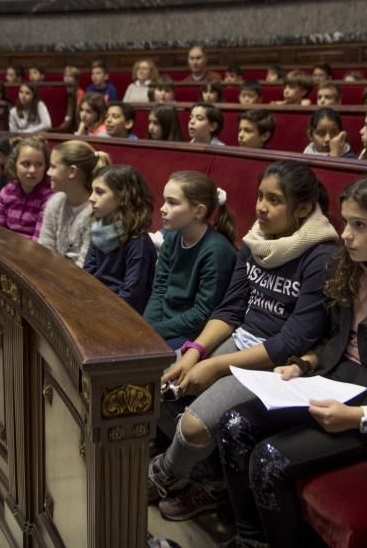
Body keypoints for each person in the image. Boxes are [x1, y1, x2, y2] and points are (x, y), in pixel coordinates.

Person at [215, 172, 367, 546]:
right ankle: (252, 540)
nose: (345, 234)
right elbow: (337, 341)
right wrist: (306, 363)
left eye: (360, 225)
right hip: (330, 383)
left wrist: (357, 418)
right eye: (346, 222)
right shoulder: (351, 271)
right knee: (234, 424)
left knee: (270, 459)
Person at [148, 160, 338, 520]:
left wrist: (214, 365)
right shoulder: (256, 241)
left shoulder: (322, 255)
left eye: (274, 200)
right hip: (239, 340)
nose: (261, 208)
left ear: (301, 208)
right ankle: (208, 479)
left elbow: (294, 339)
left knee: (193, 423)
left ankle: (163, 475)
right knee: (162, 375)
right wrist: (194, 353)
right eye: (260, 196)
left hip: (275, 364)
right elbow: (231, 310)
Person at [144, 172, 239, 348]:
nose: (163, 208)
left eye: (172, 203)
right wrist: (146, 327)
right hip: (166, 324)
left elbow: (202, 313)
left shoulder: (217, 251)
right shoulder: (172, 238)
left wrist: (153, 332)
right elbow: (159, 289)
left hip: (192, 333)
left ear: (199, 211)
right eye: (165, 201)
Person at [83, 165, 157, 312]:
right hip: (96, 303)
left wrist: (98, 310)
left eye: (100, 192)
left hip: (121, 313)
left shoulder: (138, 242)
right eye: (92, 191)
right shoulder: (99, 230)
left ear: (122, 197)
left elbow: (131, 295)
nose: (91, 198)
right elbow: (87, 275)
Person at [38, 140, 111, 266]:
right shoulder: (55, 202)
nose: (48, 172)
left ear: (72, 171)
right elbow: (44, 251)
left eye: (53, 167)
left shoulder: (97, 211)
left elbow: (86, 267)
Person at [0, 136, 53, 239]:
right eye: (26, 164)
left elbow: (39, 242)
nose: (32, 170)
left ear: (46, 167)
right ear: (14, 164)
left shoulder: (49, 198)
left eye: (39, 164)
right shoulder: (6, 192)